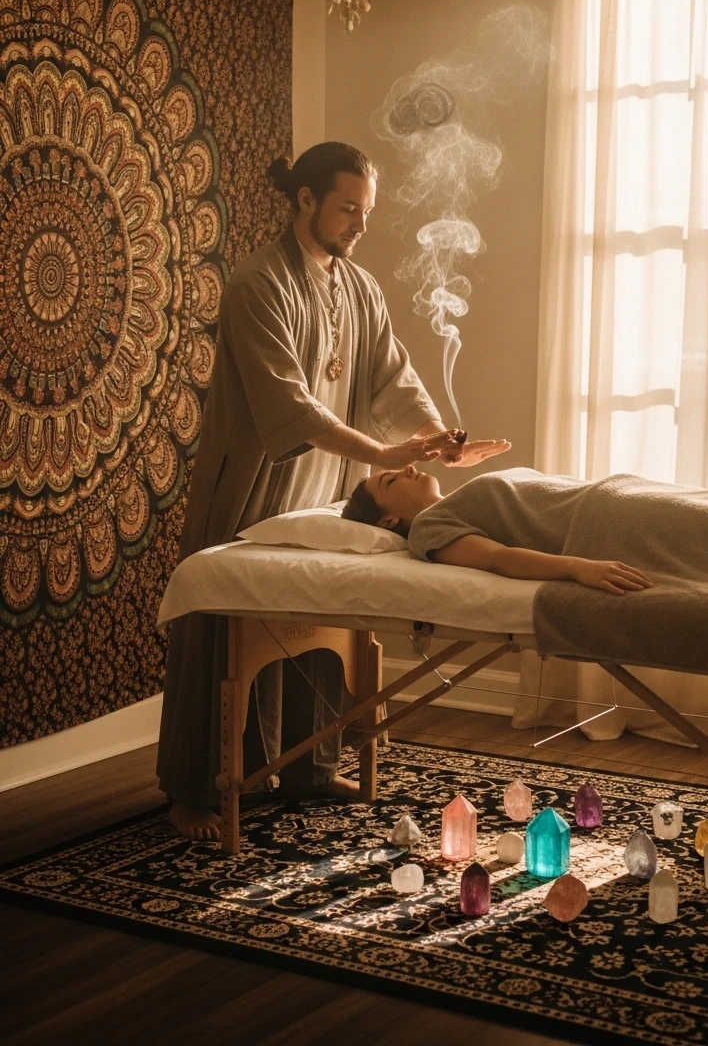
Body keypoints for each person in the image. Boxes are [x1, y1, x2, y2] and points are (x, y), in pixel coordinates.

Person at [157, 142, 511, 841]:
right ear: (306, 201)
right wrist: (381, 452)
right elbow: (289, 406)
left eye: (367, 211)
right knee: (225, 633)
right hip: (257, 486)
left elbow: (390, 376)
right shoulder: (257, 285)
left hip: (323, 485)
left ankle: (308, 771)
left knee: (316, 626)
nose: (359, 224)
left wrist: (439, 435)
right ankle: (194, 790)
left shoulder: (359, 287)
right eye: (348, 208)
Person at [342, 464, 652, 592]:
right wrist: (576, 567)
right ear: (388, 521)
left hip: (618, 494)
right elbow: (499, 558)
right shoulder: (427, 528)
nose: (409, 467)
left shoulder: (456, 505)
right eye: (392, 480)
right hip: (605, 518)